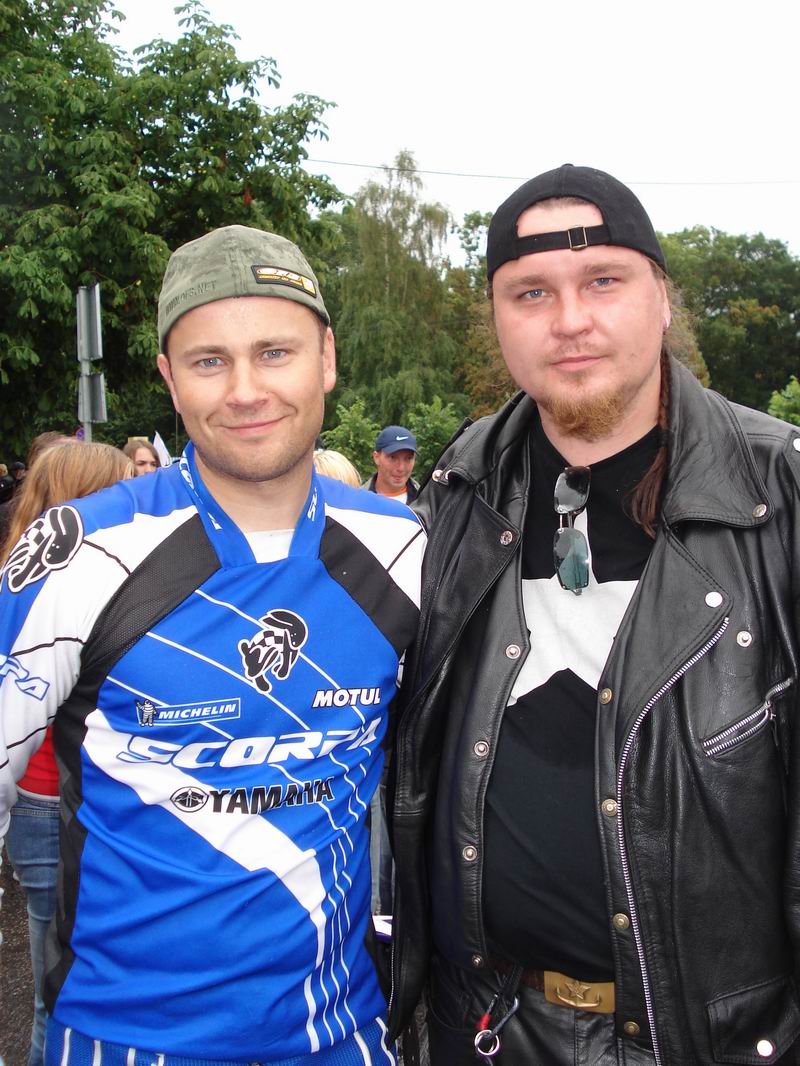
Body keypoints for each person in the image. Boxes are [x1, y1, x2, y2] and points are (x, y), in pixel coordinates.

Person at [388, 164, 800, 1065]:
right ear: (498, 319)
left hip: (711, 1042)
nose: (569, 320)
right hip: (487, 1029)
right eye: (531, 292)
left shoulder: (780, 497)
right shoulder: (459, 494)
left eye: (602, 281)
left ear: (663, 298)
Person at [0, 225, 425, 1066]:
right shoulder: (80, 549)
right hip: (128, 1038)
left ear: (327, 359)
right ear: (168, 377)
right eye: (208, 361)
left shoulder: (404, 547)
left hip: (341, 1031)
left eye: (275, 352)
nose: (245, 391)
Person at [1, 441, 134, 1066]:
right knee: (58, 992)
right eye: (117, 489)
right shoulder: (45, 587)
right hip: (49, 802)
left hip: (69, 802)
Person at [364, 427, 419, 503]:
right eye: (393, 458)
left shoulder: (428, 502)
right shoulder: (355, 502)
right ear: (376, 457)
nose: (401, 468)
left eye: (408, 458)